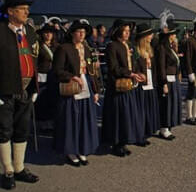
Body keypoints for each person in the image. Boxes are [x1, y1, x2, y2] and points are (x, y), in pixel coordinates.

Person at [0, 0, 39, 190]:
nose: (27, 12)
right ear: (10, 11)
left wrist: (35, 86)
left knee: (22, 129)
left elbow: (36, 57)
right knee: (4, 130)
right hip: (5, 90)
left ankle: (19, 168)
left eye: (27, 9)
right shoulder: (0, 31)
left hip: (26, 89)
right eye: (22, 9)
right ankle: (7, 170)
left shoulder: (30, 31)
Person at [53, 20, 100, 167]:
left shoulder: (87, 49)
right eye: (79, 32)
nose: (82, 34)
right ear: (72, 33)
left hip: (86, 86)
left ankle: (82, 148)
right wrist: (72, 76)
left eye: (84, 32)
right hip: (71, 87)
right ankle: (70, 151)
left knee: (84, 120)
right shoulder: (64, 48)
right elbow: (57, 70)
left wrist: (96, 90)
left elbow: (93, 72)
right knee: (71, 120)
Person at [102, 20, 145, 156]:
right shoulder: (112, 46)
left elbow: (134, 63)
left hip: (128, 85)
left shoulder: (128, 45)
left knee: (127, 115)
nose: (128, 33)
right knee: (117, 115)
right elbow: (114, 67)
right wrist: (130, 73)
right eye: (125, 31)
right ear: (118, 31)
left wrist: (137, 73)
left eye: (128, 31)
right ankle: (115, 143)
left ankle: (123, 141)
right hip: (117, 86)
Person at [156, 20, 182, 139]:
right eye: (174, 34)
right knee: (166, 104)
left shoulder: (171, 48)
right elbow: (161, 67)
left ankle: (169, 125)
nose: (175, 36)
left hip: (174, 80)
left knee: (172, 104)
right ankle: (164, 128)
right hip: (167, 80)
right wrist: (164, 83)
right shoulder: (162, 48)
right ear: (169, 36)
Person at [134, 23, 160, 144]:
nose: (151, 36)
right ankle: (139, 134)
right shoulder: (136, 51)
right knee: (141, 110)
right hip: (141, 84)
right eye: (149, 34)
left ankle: (147, 131)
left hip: (150, 82)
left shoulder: (150, 49)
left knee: (149, 108)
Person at [35, 23, 59, 132]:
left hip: (53, 77)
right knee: (41, 101)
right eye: (46, 33)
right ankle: (42, 124)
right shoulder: (38, 46)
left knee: (52, 100)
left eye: (50, 33)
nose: (48, 35)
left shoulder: (57, 47)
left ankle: (52, 123)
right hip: (41, 76)